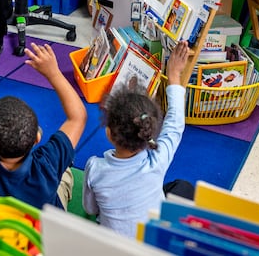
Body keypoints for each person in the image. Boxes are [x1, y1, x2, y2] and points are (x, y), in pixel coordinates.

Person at [82, 41, 194, 238]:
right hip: (152, 243)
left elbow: (90, 209)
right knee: (183, 187)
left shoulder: (95, 168)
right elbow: (175, 124)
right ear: (148, 130)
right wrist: (174, 75)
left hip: (113, 248)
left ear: (109, 133)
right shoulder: (157, 159)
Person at [0, 43, 87, 209]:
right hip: (41, 230)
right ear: (37, 139)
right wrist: (53, 73)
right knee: (66, 171)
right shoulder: (47, 164)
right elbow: (78, 117)